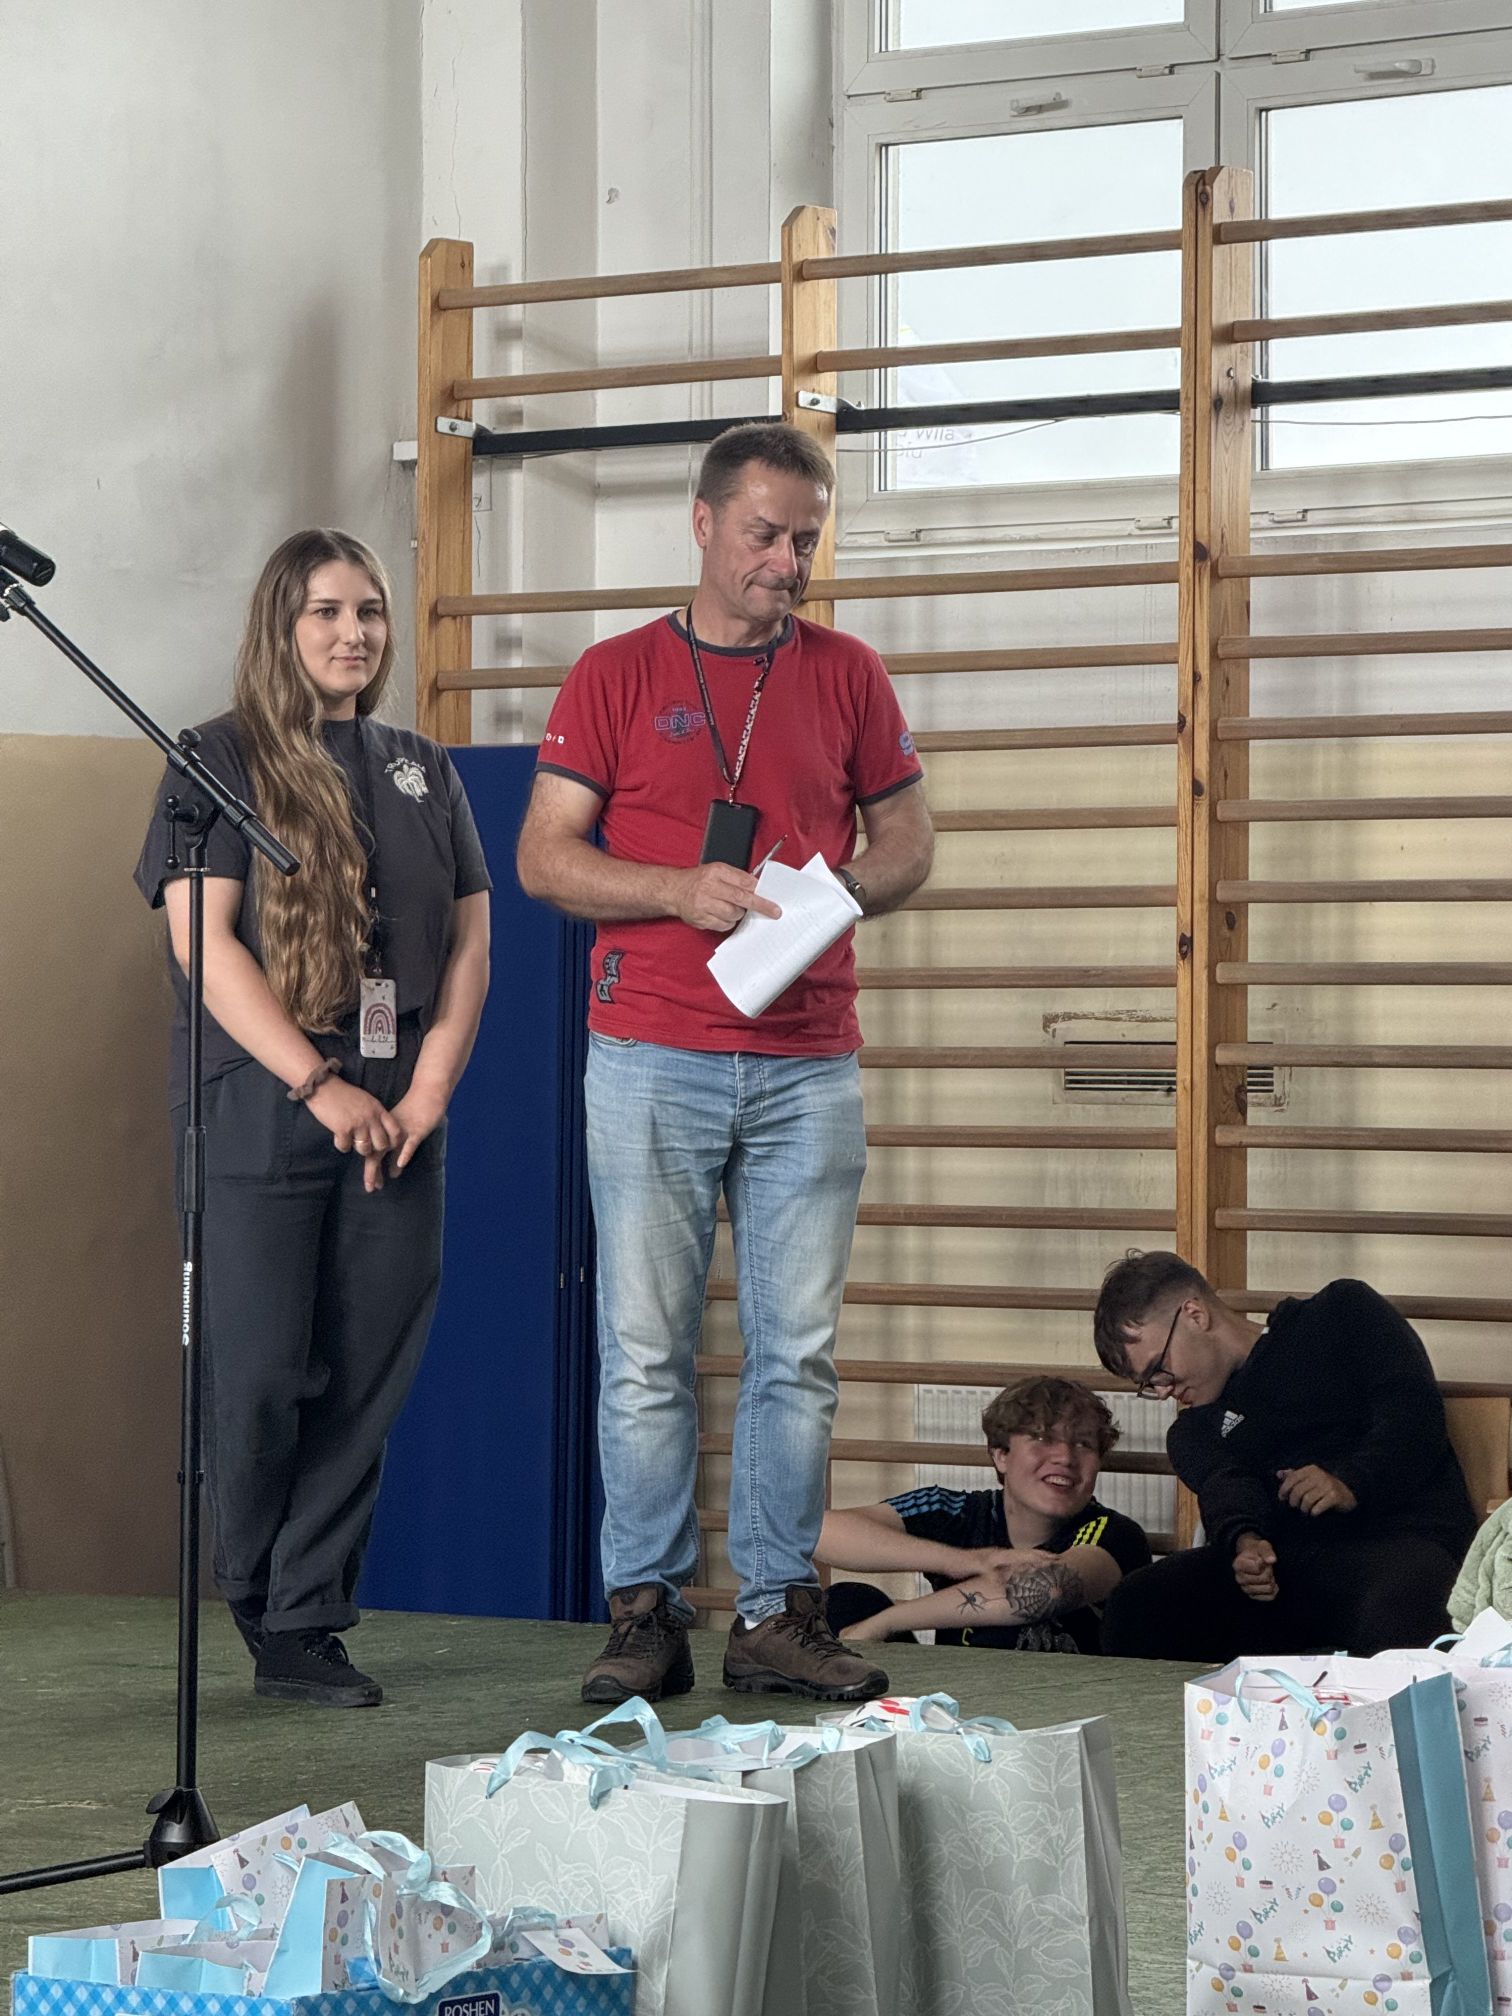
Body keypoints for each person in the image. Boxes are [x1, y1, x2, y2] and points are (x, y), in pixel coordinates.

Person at [516, 422, 935, 1705]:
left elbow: (909, 841)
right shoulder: (615, 673)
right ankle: (644, 1614)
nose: (787, 562)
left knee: (795, 1354)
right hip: (650, 1053)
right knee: (645, 1352)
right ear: (703, 524)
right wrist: (671, 889)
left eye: (806, 539)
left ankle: (775, 1614)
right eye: (765, 534)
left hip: (809, 1061)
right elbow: (544, 858)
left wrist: (837, 895)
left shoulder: (850, 673)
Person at [134, 529, 491, 1707]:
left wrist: (426, 1089)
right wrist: (315, 1082)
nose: (354, 633)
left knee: (365, 1372)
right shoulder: (215, 756)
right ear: (281, 627)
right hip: (264, 1103)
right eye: (327, 612)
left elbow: (470, 940)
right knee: (259, 1372)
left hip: (399, 1106)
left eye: (371, 611)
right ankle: (252, 1589)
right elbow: (203, 942)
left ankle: (304, 1620)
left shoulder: (420, 766)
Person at [1091, 1250, 1476, 1662]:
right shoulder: (1194, 1430)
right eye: (1148, 1384)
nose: (1163, 1390)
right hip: (1286, 1573)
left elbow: (1413, 1415)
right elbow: (1227, 1488)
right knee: (1138, 1605)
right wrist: (1245, 1542)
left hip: (1401, 1544)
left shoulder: (1340, 1314)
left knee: (1404, 1596)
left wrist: (1350, 1481)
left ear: (1195, 1315)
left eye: (1158, 1368)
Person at [817, 1376, 1150, 1651]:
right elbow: (820, 1533)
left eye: (1083, 1444)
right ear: (1001, 1455)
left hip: (1062, 1702)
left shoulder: (1114, 1533)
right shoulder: (955, 1510)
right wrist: (965, 1561)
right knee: (848, 1602)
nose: (1065, 1456)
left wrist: (887, 1621)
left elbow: (1051, 1589)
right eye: (1042, 1438)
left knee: (867, 1619)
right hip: (957, 1699)